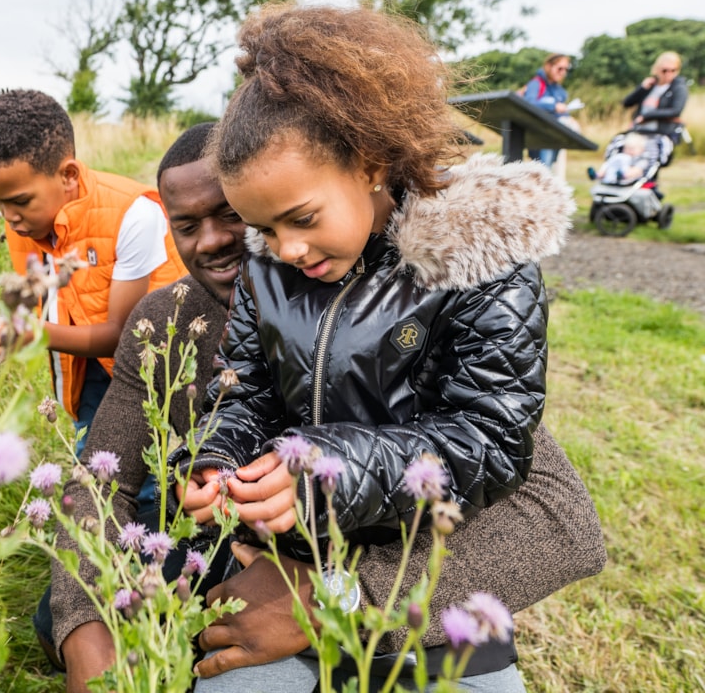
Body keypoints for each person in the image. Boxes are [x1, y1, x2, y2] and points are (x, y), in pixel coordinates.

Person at [45, 122, 604, 692]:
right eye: (187, 225)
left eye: (235, 217)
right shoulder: (167, 321)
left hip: (397, 600)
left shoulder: (397, 298)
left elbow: (557, 517)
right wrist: (83, 626)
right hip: (247, 569)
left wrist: (331, 596)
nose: (215, 240)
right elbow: (100, 479)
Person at [172, 3, 605, 691]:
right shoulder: (267, 267)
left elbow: (491, 439)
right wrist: (215, 455)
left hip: (427, 569)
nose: (285, 249)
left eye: (302, 218)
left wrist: (334, 469)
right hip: (288, 559)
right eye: (261, 227)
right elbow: (244, 387)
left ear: (369, 162)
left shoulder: (477, 256)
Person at [0, 89, 187, 437]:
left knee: (137, 478)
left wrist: (27, 334)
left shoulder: (134, 215)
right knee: (98, 470)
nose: (9, 218)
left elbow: (123, 337)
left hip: (150, 366)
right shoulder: (27, 222)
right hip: (84, 369)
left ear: (68, 175)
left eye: (19, 201)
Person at [623, 51, 689, 145]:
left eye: (673, 70)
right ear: (657, 69)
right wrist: (642, 88)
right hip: (639, 130)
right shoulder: (650, 85)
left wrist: (646, 116)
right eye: (664, 70)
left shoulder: (679, 88)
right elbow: (626, 103)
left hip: (662, 132)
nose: (668, 73)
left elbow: (675, 111)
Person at [521, 53, 573, 169]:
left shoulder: (560, 91)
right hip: (539, 136)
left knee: (550, 171)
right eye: (560, 68)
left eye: (566, 69)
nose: (563, 72)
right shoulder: (536, 84)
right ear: (549, 66)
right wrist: (553, 106)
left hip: (555, 137)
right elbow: (529, 103)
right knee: (543, 170)